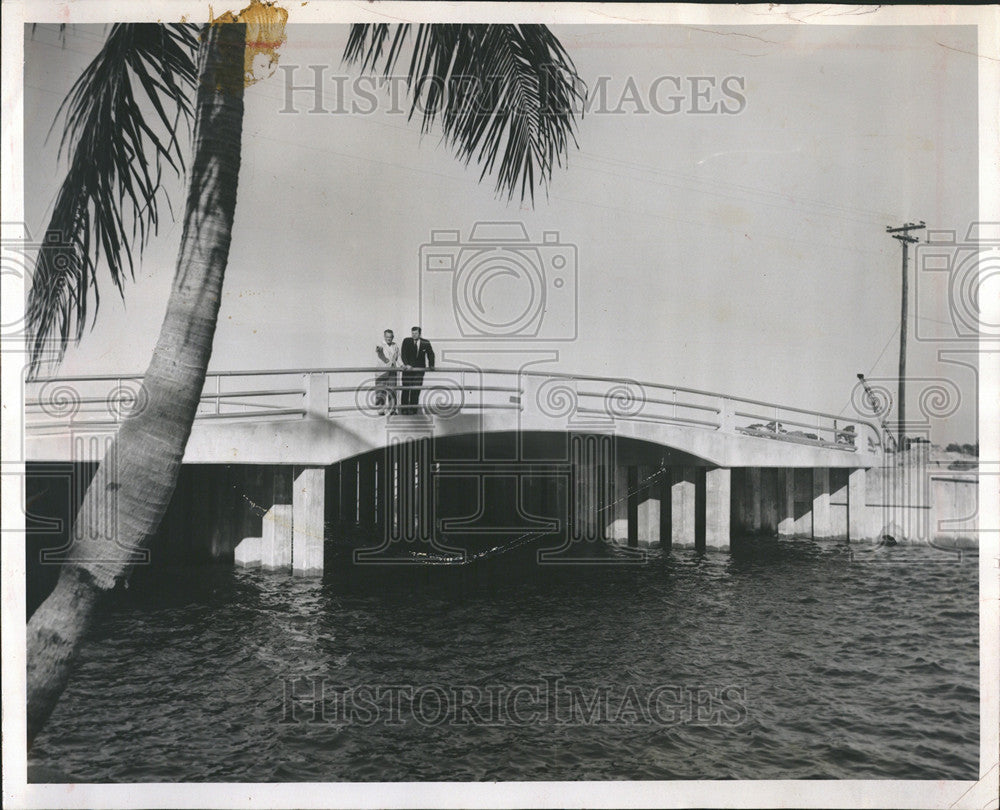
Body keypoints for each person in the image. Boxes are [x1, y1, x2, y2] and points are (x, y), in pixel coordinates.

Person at [400, 326, 435, 415]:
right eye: (412, 333)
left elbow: (430, 354)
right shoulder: (406, 341)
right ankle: (404, 409)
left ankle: (413, 409)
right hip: (408, 370)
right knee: (406, 389)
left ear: (419, 333)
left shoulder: (425, 342)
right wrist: (406, 364)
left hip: (419, 371)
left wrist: (431, 365)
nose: (413, 335)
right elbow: (403, 353)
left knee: (416, 390)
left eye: (415, 333)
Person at [374, 329, 400, 416]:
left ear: (393, 337)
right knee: (381, 391)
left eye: (390, 337)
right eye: (387, 337)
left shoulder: (395, 345)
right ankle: (381, 410)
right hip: (382, 372)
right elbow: (379, 351)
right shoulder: (380, 344)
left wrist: (402, 365)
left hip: (392, 371)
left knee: (392, 391)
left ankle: (392, 409)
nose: (389, 339)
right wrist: (380, 351)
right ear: (384, 336)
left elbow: (397, 357)